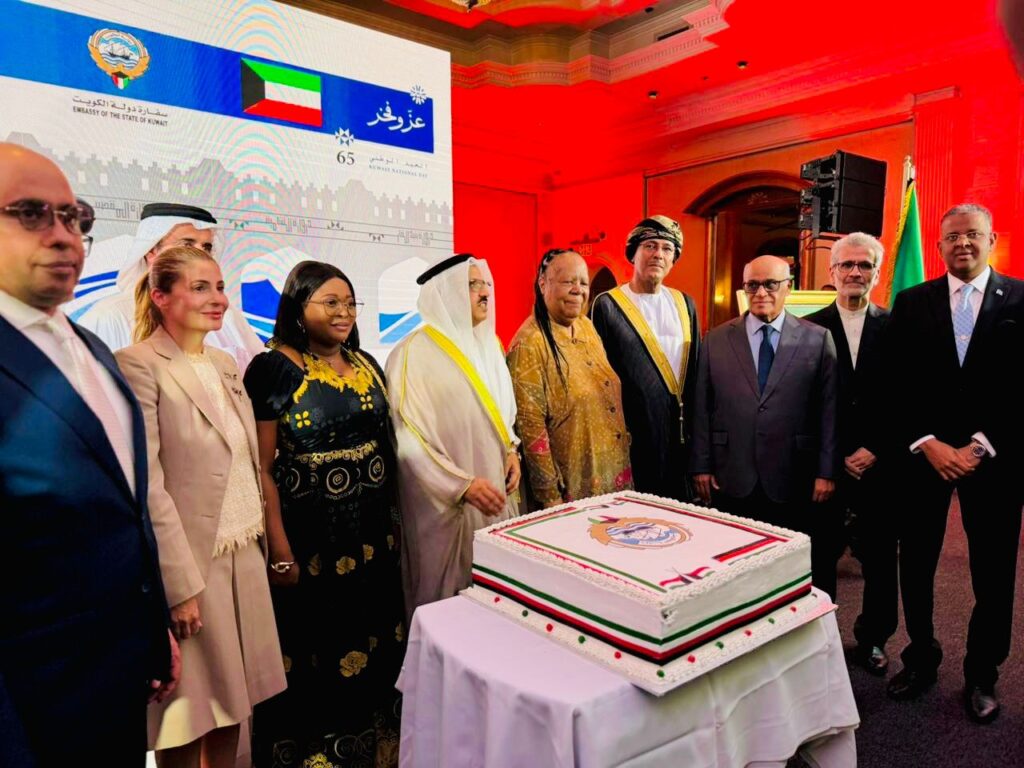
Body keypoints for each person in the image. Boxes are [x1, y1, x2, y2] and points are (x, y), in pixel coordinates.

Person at [0, 142, 176, 765]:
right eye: (31, 214)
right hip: (31, 714)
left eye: (75, 218)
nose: (64, 236)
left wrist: (152, 629)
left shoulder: (92, 349)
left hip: (115, 686)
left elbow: (125, 510)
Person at [115, 245, 286, 766]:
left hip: (244, 551)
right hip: (193, 565)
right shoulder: (138, 364)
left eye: (220, 287)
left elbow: (248, 459)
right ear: (161, 297)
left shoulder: (224, 362)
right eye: (200, 287)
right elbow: (147, 485)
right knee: (187, 715)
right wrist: (179, 588)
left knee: (235, 704)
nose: (218, 299)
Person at [244, 261, 404, 767]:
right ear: (298, 307)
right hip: (312, 544)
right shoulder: (274, 368)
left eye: (350, 303)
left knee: (377, 641)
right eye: (330, 302)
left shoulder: (366, 363)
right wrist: (279, 550)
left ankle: (376, 752)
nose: (344, 313)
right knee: (321, 648)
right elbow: (260, 468)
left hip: (374, 540)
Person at [884, 204, 1024, 723]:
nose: (962, 243)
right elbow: (893, 381)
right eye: (952, 237)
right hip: (925, 458)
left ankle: (983, 673)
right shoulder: (911, 301)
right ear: (939, 245)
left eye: (972, 234)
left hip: (996, 460)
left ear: (991, 239)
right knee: (917, 564)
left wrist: (980, 445)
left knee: (994, 571)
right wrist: (927, 441)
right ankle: (920, 658)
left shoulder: (1022, 299)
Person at [690, 255, 838, 594]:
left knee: (788, 570)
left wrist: (826, 471)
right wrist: (701, 465)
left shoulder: (817, 339)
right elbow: (702, 406)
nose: (760, 293)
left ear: (788, 287)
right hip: (731, 472)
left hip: (794, 474)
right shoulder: (715, 339)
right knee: (733, 568)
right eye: (752, 285)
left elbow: (829, 411)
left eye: (770, 284)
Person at [386, 254, 521, 615]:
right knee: (450, 608)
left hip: (494, 496)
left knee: (498, 598)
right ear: (445, 293)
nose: (484, 293)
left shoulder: (490, 345)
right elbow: (409, 440)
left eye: (485, 284)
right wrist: (460, 485)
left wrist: (512, 452)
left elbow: (501, 417)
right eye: (472, 285)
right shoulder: (412, 354)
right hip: (448, 507)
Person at [805, 232, 894, 674]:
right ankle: (819, 638)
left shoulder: (897, 326)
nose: (855, 272)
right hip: (827, 464)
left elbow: (908, 397)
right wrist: (835, 453)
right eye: (847, 264)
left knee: (880, 559)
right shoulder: (808, 329)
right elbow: (802, 402)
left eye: (865, 265)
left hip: (880, 464)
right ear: (832, 271)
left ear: (877, 272)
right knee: (820, 556)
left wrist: (876, 448)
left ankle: (873, 639)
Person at [507, 248, 632, 510]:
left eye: (584, 283)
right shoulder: (529, 343)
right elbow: (531, 427)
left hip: (614, 477)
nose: (578, 290)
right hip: (569, 493)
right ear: (543, 284)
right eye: (568, 282)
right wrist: (550, 496)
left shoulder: (586, 326)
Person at [79, 202, 264, 371]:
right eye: (186, 245)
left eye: (206, 247)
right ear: (152, 252)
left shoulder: (226, 315)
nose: (199, 254)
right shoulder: (110, 317)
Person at [592, 216, 700, 501]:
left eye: (667, 248)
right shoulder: (607, 305)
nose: (658, 254)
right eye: (650, 246)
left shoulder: (685, 304)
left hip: (681, 440)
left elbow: (695, 374)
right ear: (633, 253)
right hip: (633, 439)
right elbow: (599, 380)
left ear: (674, 258)